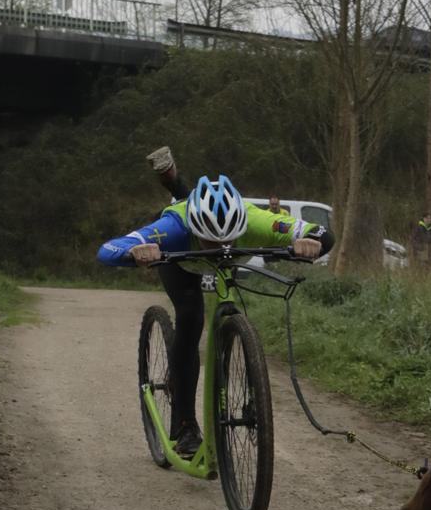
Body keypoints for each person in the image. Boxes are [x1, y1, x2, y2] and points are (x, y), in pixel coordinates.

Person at [98, 159, 332, 456]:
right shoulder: (174, 226)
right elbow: (107, 250)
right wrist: (135, 251)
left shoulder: (254, 218)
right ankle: (184, 426)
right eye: (209, 239)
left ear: (241, 227)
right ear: (196, 230)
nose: (219, 244)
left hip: (227, 262)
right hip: (180, 262)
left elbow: (322, 233)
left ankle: (242, 377)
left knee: (230, 307)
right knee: (191, 318)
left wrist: (310, 241)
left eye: (228, 239)